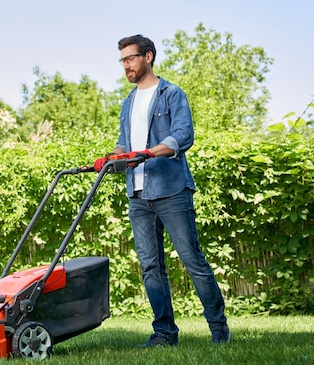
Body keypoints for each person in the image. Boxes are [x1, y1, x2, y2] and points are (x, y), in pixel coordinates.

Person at [94, 34, 230, 347]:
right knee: (151, 268)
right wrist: (113, 156)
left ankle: (218, 329)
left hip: (171, 190)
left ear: (149, 56)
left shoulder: (171, 94)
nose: (126, 65)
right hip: (138, 195)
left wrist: (150, 152)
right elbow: (124, 144)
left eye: (131, 58)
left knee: (192, 260)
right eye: (123, 60)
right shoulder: (128, 102)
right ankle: (165, 333)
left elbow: (183, 135)